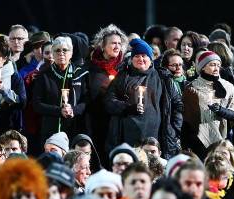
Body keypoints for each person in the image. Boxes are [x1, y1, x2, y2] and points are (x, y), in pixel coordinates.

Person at [104, 38, 166, 154]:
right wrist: (127, 107)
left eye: (144, 56)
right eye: (137, 56)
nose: (141, 59)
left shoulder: (160, 77)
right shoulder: (122, 77)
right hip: (125, 136)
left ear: (150, 59)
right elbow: (109, 101)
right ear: (131, 59)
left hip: (152, 137)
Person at [182, 51, 234, 159]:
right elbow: (187, 120)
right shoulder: (191, 88)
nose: (216, 68)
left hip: (222, 139)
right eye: (212, 64)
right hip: (198, 141)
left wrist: (220, 110)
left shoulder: (228, 86)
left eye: (218, 65)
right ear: (203, 67)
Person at [33, 36, 88, 145]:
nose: (61, 53)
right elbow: (36, 104)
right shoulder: (43, 75)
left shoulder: (81, 73)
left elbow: (87, 100)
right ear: (52, 54)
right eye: (57, 50)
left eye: (65, 50)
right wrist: (59, 111)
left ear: (71, 53)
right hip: (50, 129)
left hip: (74, 127)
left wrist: (74, 110)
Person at [87, 24, 128, 161]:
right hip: (96, 122)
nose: (117, 46)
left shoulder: (125, 67)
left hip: (117, 122)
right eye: (113, 43)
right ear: (103, 46)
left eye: (119, 43)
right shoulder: (91, 68)